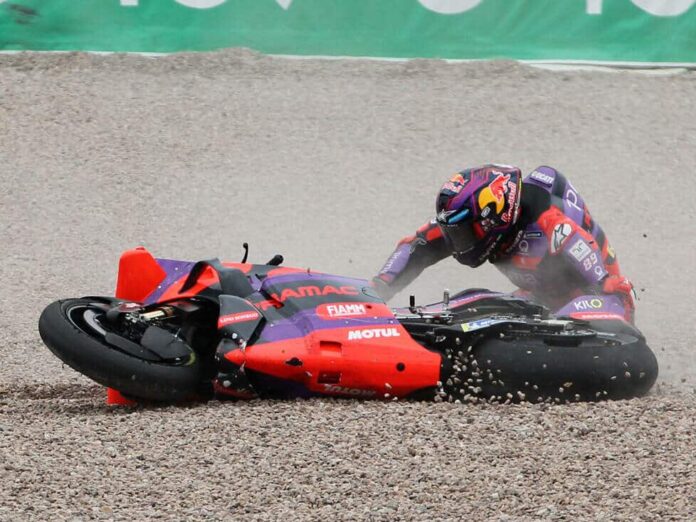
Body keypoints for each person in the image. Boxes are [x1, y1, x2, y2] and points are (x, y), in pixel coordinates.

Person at [372, 164, 635, 322]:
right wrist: (377, 291)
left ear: (493, 216)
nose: (457, 242)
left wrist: (604, 286)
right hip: (536, 300)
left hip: (590, 302)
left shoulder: (549, 221)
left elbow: (585, 255)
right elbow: (416, 246)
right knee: (473, 300)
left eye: (463, 233)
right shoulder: (467, 217)